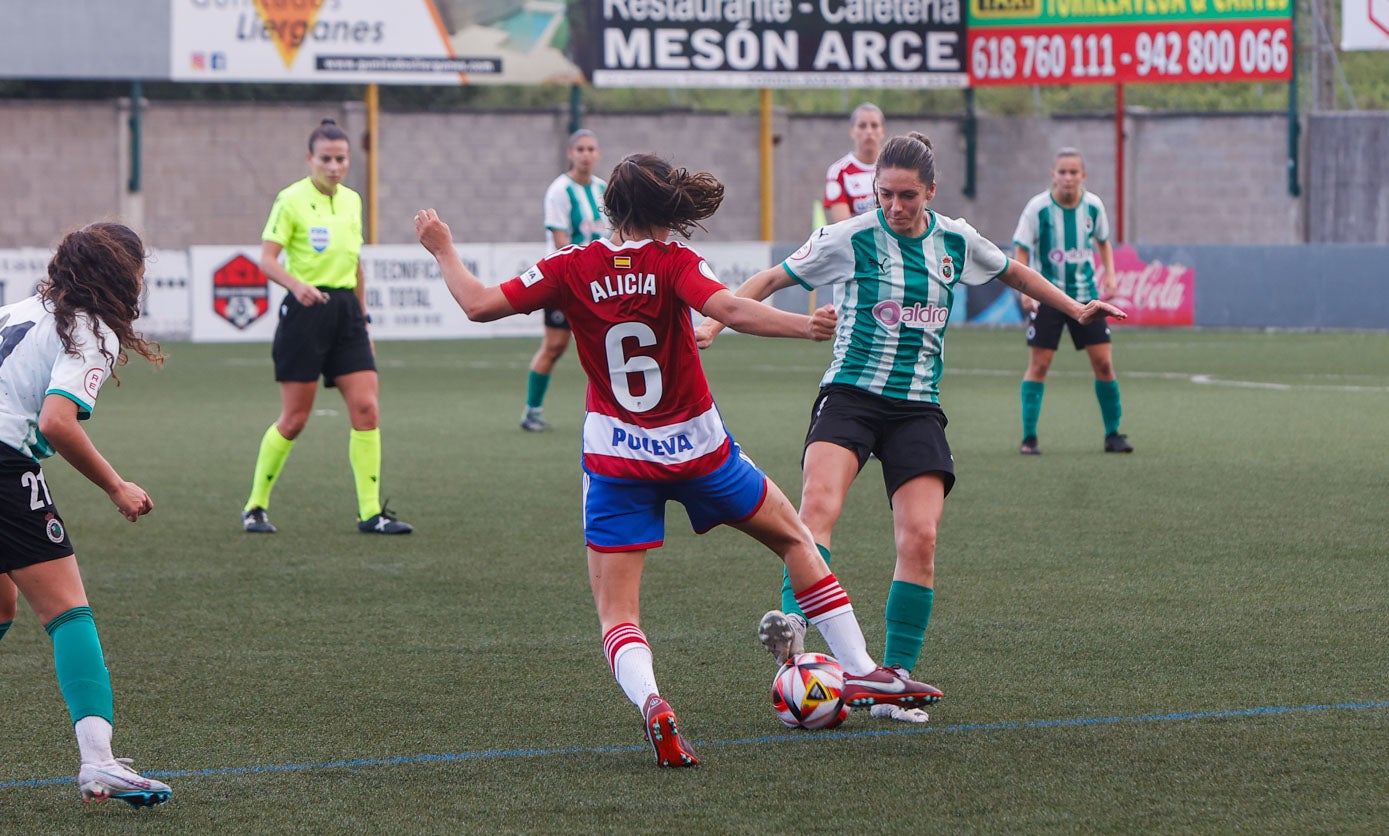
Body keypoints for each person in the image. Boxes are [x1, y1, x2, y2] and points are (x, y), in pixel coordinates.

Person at [414, 153, 943, 768]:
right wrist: (805, 328)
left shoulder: (570, 265)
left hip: (615, 459)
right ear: (667, 208)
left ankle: (654, 705)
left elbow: (477, 304)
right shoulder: (674, 263)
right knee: (797, 541)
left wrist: (442, 247)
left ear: (613, 209)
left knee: (619, 615)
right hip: (698, 450)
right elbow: (731, 310)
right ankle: (862, 671)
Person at [697, 133, 1127, 724]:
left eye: (907, 196)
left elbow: (1015, 274)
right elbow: (771, 279)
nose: (895, 207)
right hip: (849, 396)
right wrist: (715, 327)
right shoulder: (849, 238)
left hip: (917, 408)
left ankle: (893, 680)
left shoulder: (955, 239)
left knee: (920, 537)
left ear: (931, 191)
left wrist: (1077, 308)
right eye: (884, 195)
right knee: (816, 509)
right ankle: (795, 647)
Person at [0, 222, 172, 807]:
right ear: (120, 276)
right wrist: (116, 486)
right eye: (138, 270)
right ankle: (99, 764)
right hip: (1, 465)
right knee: (69, 611)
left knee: (2, 603)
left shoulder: (22, 308)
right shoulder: (89, 329)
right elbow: (55, 422)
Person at [240, 117, 412, 535]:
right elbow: (266, 259)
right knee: (295, 418)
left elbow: (356, 264)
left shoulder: (352, 201)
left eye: (342, 159)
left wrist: (364, 315)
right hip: (305, 313)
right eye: (326, 159)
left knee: (367, 409)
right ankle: (255, 506)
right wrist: (297, 286)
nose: (334, 166)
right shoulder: (290, 200)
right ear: (309, 159)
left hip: (347, 314)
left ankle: (371, 513)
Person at [1013, 147, 1132, 455]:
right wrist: (1025, 289)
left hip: (1087, 298)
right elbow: (1022, 249)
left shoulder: (1093, 207)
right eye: (1062, 172)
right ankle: (1029, 437)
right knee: (1039, 364)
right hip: (1048, 297)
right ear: (1053, 175)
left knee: (1104, 363)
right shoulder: (1037, 209)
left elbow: (1103, 243)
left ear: (1083, 176)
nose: (1067, 178)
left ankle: (1113, 434)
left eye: (1073, 172)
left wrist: (1110, 275)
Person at [520, 129, 610, 432]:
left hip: (600, 283)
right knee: (555, 345)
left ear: (598, 154)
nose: (586, 154)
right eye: (580, 149)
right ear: (570, 154)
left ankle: (615, 413)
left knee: (608, 344)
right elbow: (561, 242)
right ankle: (532, 411)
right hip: (565, 282)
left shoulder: (603, 190)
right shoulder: (559, 190)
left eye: (591, 149)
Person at [823, 103, 885, 224]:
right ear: (852, 131)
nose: (869, 131)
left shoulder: (895, 166)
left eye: (874, 125)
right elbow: (844, 227)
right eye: (862, 126)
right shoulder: (838, 172)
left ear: (882, 131)